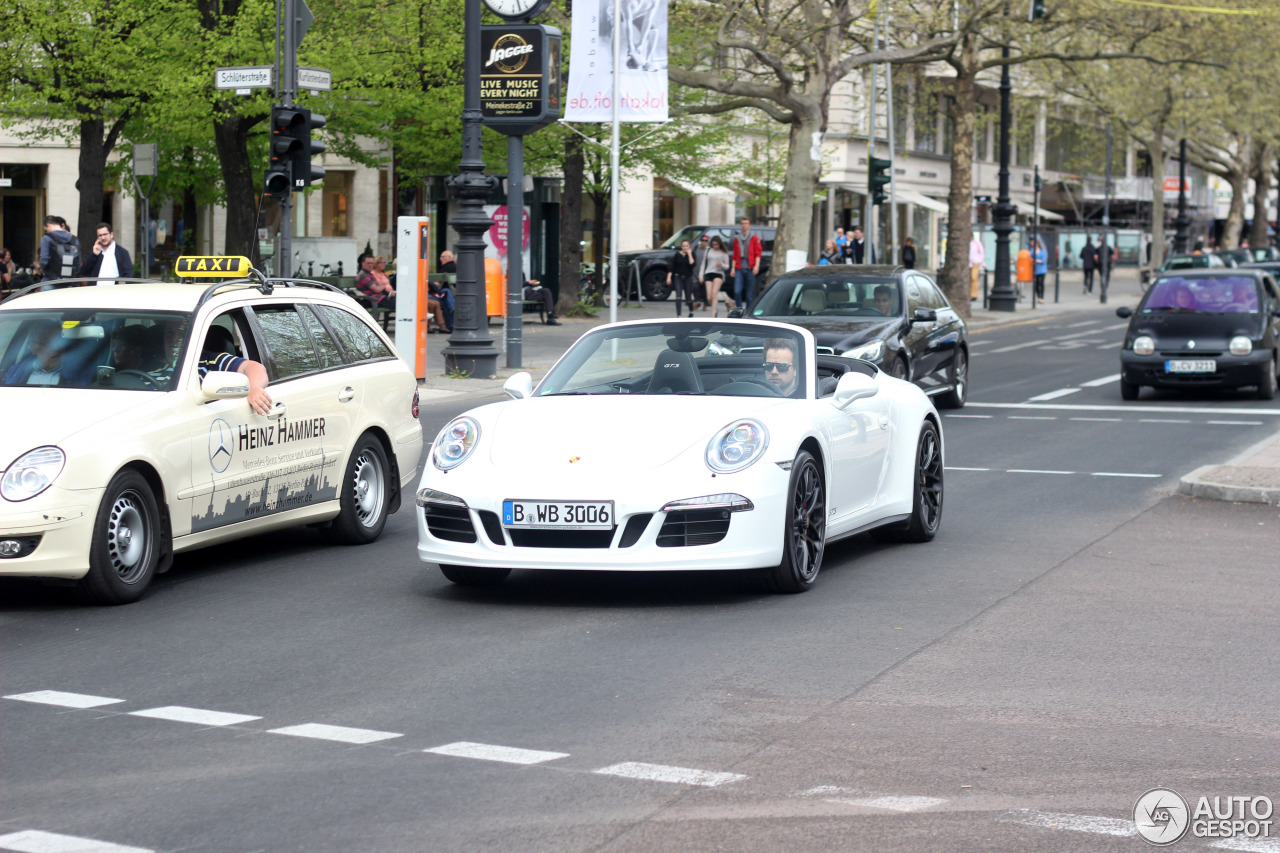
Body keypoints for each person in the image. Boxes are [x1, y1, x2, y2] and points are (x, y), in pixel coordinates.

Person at [147, 320, 273, 414]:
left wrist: (254, 389)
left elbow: (254, 367)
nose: (174, 339)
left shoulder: (211, 361)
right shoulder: (150, 372)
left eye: (181, 333)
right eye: (169, 333)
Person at [4, 320, 63, 385]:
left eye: (60, 341)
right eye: (48, 343)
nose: (55, 347)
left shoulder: (74, 374)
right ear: (33, 347)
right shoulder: (15, 372)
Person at [37, 214, 81, 287]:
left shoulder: (46, 238)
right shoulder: (74, 240)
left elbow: (44, 261)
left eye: (46, 229)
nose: (46, 232)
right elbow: (78, 265)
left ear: (48, 225)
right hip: (69, 282)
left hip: (50, 281)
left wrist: (41, 267)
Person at [731, 217, 762, 307]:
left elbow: (758, 253)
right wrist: (733, 268)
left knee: (749, 294)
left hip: (750, 268)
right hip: (739, 268)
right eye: (742, 223)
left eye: (746, 223)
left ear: (749, 225)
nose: (744, 225)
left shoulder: (754, 238)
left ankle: (748, 313)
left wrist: (756, 266)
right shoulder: (737, 238)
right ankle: (739, 309)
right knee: (737, 291)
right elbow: (734, 255)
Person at [667, 239, 696, 317]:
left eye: (686, 246)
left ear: (689, 246)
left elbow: (692, 264)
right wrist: (669, 277)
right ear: (681, 247)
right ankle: (679, 315)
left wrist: (689, 254)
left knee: (688, 297)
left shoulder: (692, 254)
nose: (685, 247)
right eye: (683, 246)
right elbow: (672, 267)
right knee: (678, 296)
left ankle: (691, 310)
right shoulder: (677, 255)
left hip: (688, 277)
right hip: (678, 277)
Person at [703, 236, 730, 317]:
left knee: (714, 293)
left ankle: (713, 314)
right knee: (709, 297)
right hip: (708, 272)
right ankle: (715, 308)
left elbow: (727, 266)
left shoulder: (723, 252)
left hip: (718, 273)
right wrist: (701, 275)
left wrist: (721, 264)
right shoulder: (708, 250)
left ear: (720, 244)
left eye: (717, 245)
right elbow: (703, 263)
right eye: (714, 244)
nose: (715, 246)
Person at [690, 235, 709, 310]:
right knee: (695, 286)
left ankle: (705, 304)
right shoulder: (696, 249)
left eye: (705, 240)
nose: (704, 242)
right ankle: (697, 301)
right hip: (695, 270)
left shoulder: (708, 250)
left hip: (705, 271)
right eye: (702, 240)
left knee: (704, 288)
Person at [969, 233, 985, 300]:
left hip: (975, 263)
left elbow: (981, 253)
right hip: (968, 263)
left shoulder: (976, 243)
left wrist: (979, 261)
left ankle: (974, 295)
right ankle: (969, 294)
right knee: (968, 279)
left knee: (973, 278)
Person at [1097, 236, 1113, 303]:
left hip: (1101, 264)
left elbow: (1096, 256)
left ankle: (1103, 287)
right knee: (1106, 277)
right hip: (1107, 264)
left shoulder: (1099, 248)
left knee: (1102, 276)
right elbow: (1112, 255)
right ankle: (1104, 287)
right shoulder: (1108, 248)